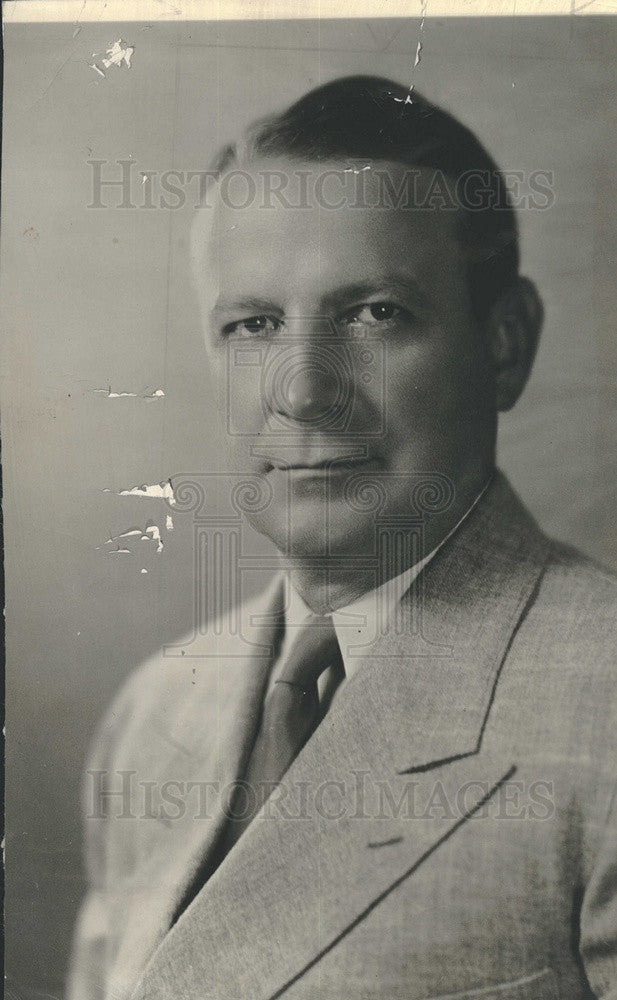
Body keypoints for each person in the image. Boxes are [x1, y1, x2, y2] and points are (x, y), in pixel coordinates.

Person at [68, 75, 616, 1000]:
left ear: (505, 341)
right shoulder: (153, 719)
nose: (305, 391)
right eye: (253, 325)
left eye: (374, 313)